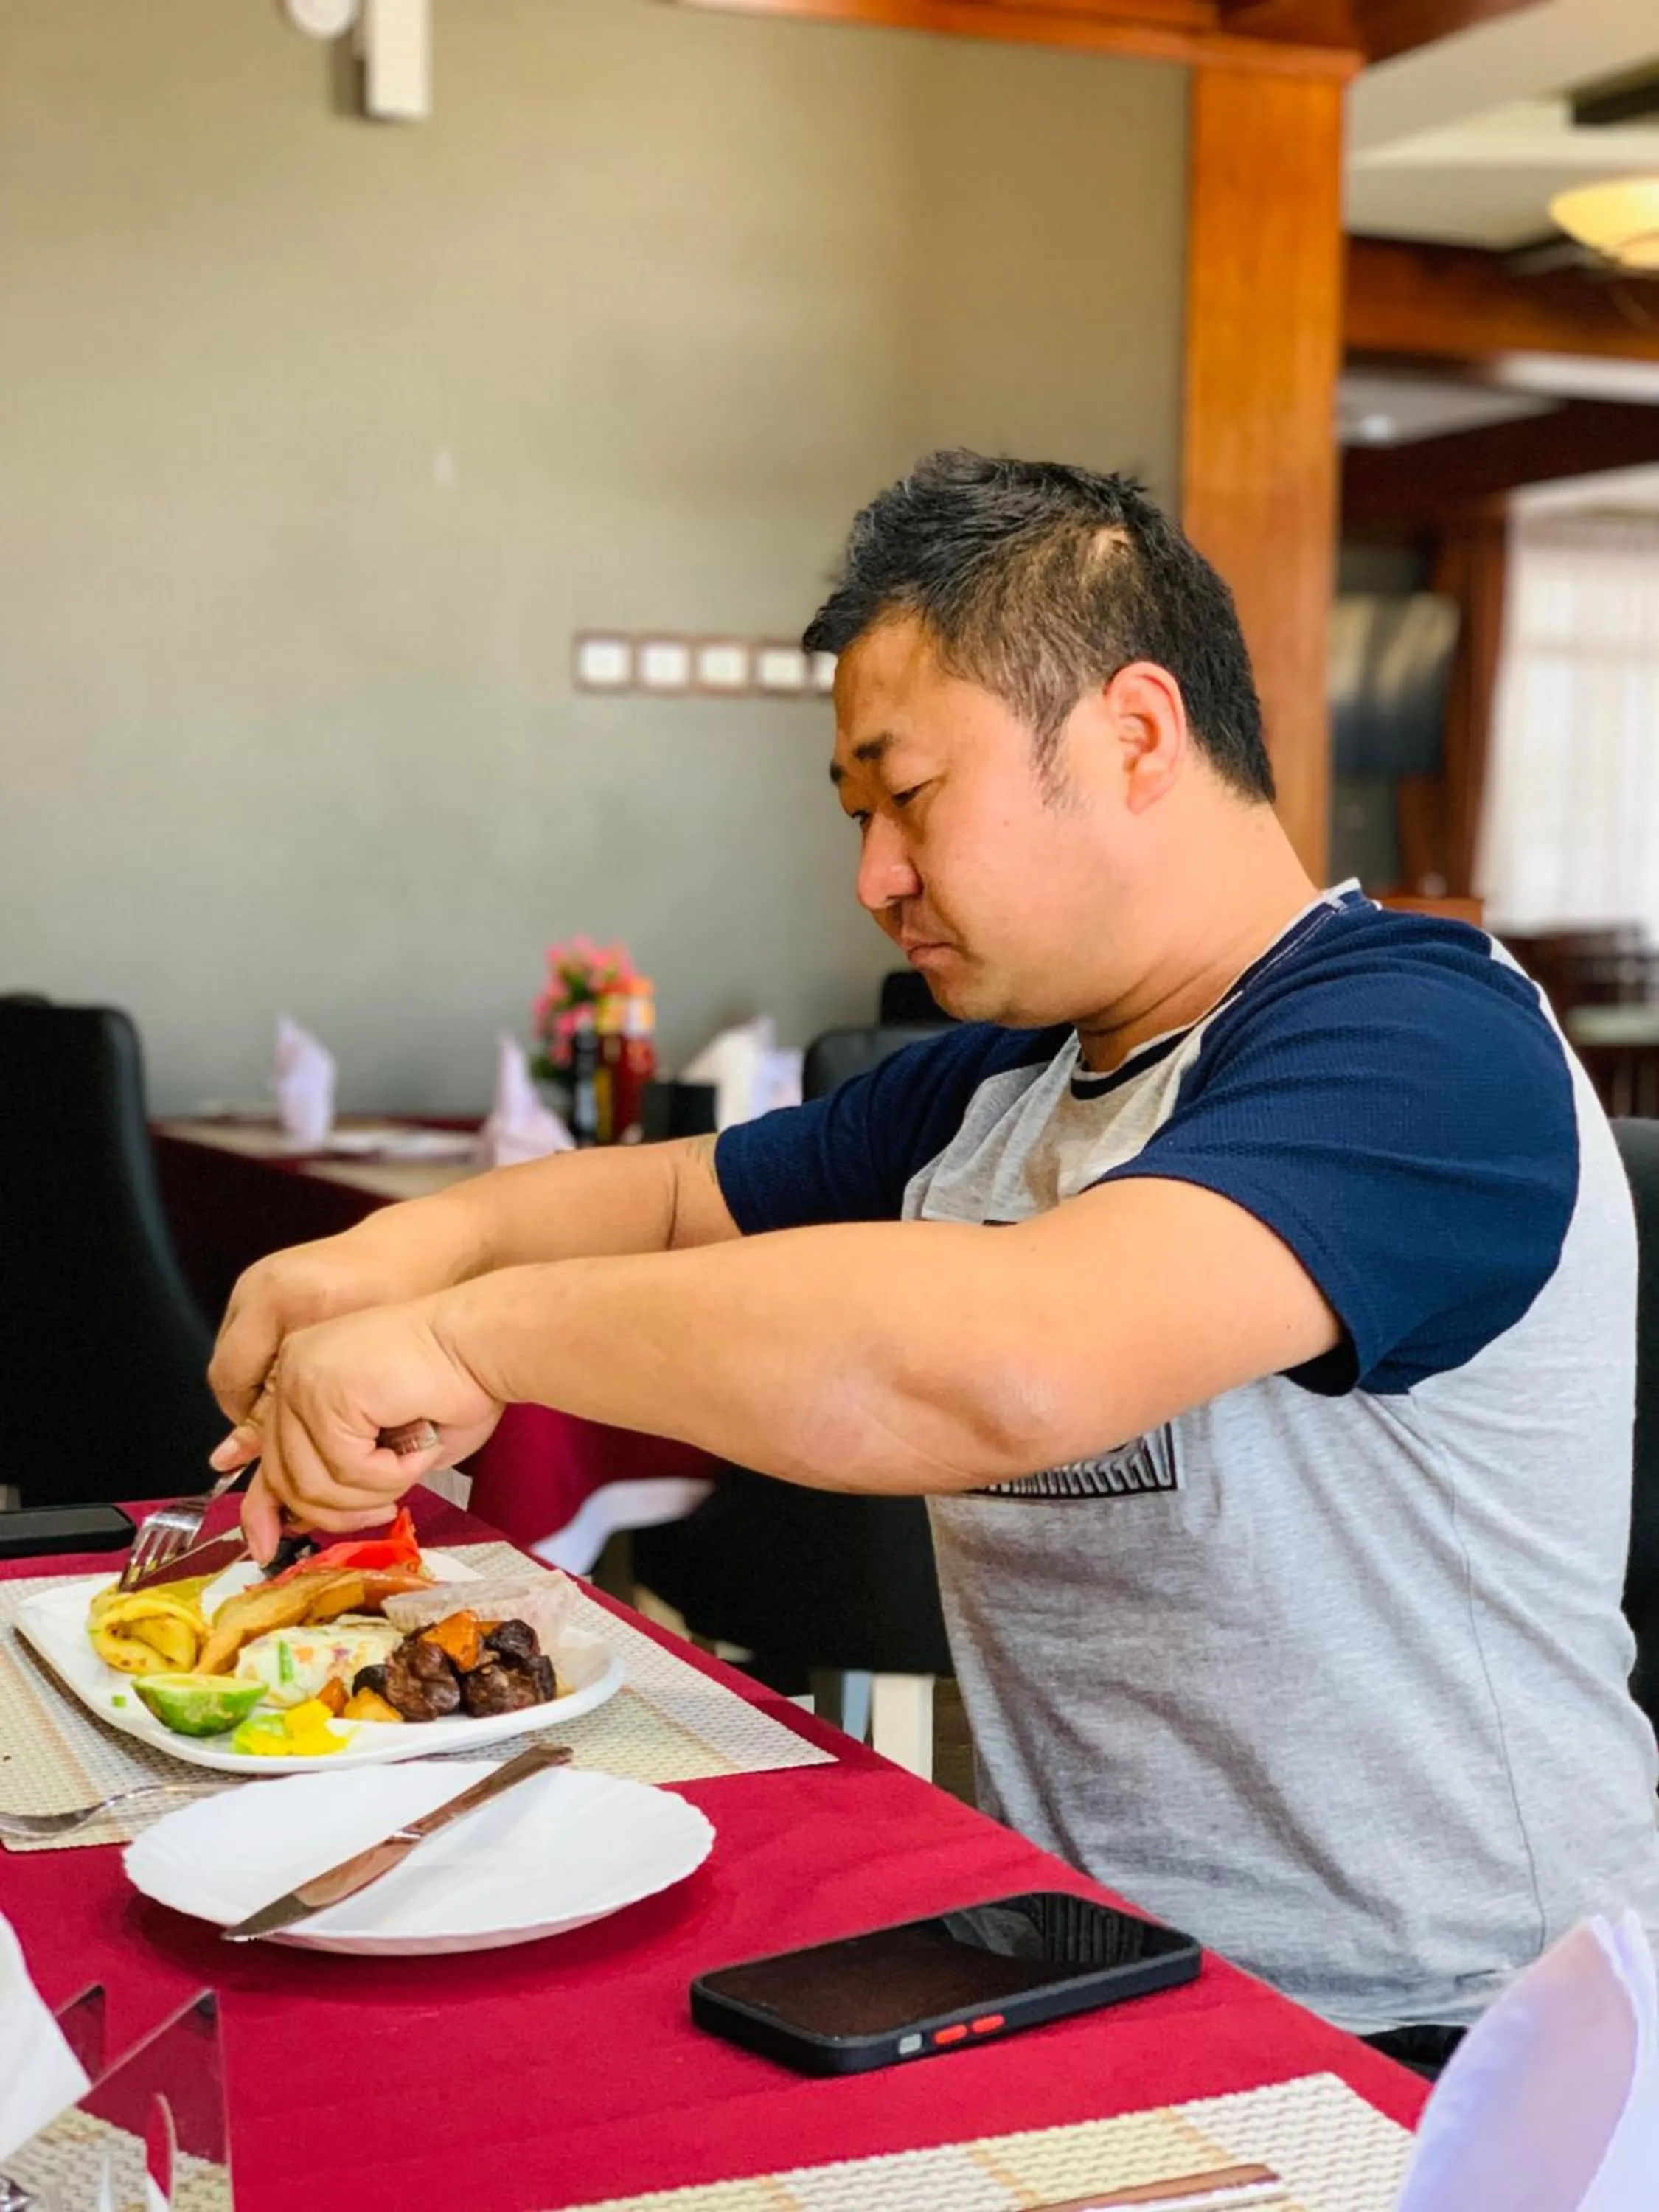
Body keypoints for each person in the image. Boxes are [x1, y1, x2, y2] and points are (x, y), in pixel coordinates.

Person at [208, 450, 1659, 2060]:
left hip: (1456, 2033)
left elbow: (1017, 1361)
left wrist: (472, 1342)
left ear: (1134, 736)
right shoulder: (1006, 1078)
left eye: (909, 796)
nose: (876, 876)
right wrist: (402, 1250)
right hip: (1081, 1966)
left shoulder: (1419, 1036)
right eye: (859, 815)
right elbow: (678, 1196)